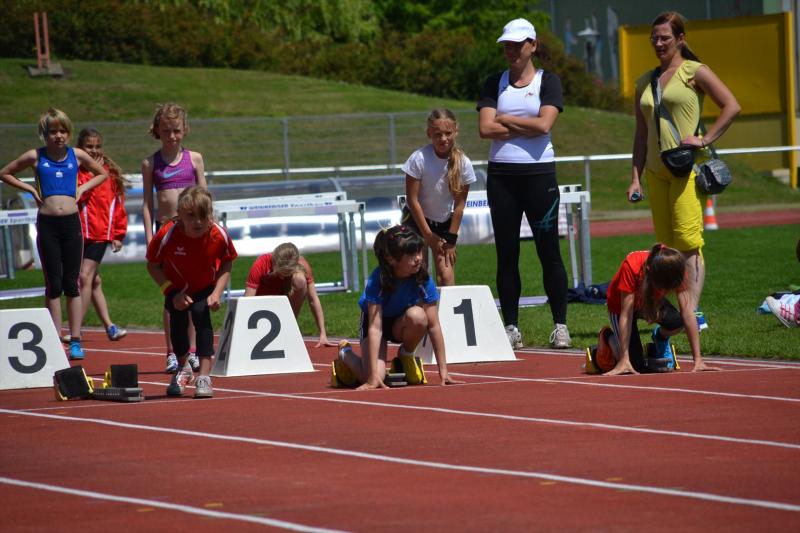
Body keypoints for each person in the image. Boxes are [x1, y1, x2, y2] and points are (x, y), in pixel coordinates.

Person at [627, 11, 740, 332]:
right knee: (667, 247)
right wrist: (635, 177)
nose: (658, 43)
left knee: (689, 243)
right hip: (655, 172)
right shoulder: (645, 81)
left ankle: (692, 313)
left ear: (680, 39)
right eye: (654, 38)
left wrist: (704, 138)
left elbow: (732, 106)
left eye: (665, 37)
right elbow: (640, 133)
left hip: (685, 170)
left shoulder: (694, 71)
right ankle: (677, 315)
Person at [477, 18, 571, 350]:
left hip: (539, 176)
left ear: (532, 45)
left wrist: (506, 119)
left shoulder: (549, 81)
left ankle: (560, 325)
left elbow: (545, 125)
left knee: (549, 252)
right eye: (507, 45)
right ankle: (511, 327)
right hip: (502, 177)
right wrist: (526, 124)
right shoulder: (494, 82)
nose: (511, 50)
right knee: (507, 253)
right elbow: (485, 129)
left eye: (517, 44)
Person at [0, 108, 107, 360]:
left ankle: (75, 339)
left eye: (62, 131)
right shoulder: (35, 156)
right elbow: (4, 172)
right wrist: (29, 189)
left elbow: (102, 174)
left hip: (71, 224)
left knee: (72, 283)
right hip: (48, 224)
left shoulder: (76, 155)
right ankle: (54, 339)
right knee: (54, 284)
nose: (58, 136)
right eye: (53, 131)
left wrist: (82, 189)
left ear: (68, 133)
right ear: (44, 134)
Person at [336, 225, 462, 390]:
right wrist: (372, 377)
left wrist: (443, 371)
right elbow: (375, 328)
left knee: (418, 316)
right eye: (411, 255)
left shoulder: (423, 279)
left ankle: (405, 355)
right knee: (374, 377)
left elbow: (434, 326)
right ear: (391, 259)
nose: (418, 258)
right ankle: (345, 353)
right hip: (375, 323)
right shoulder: (378, 280)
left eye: (419, 252)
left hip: (400, 323)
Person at [146, 186, 237, 398]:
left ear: (210, 216)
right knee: (177, 326)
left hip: (204, 285)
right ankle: (183, 368)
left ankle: (204, 376)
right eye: (191, 216)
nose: (197, 222)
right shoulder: (167, 234)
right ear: (180, 215)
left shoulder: (219, 235)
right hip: (176, 288)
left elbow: (227, 263)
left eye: (203, 216)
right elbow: (153, 265)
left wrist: (217, 293)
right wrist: (171, 292)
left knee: (200, 316)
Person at [141, 103, 208, 373]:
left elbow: (204, 198)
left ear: (185, 130)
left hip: (192, 232)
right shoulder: (150, 163)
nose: (172, 136)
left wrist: (208, 227)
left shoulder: (195, 159)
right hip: (166, 232)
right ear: (157, 130)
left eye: (176, 130)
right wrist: (150, 237)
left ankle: (191, 350)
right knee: (170, 294)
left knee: (193, 292)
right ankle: (171, 351)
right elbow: (147, 204)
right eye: (167, 130)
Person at [604, 244, 718, 375]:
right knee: (634, 365)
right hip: (620, 306)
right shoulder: (632, 265)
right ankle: (607, 339)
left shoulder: (676, 269)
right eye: (663, 287)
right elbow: (626, 315)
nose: (665, 291)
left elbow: (688, 312)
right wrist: (624, 358)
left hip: (650, 301)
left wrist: (698, 359)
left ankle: (660, 338)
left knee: (678, 323)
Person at [401, 108, 476, 286]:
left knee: (446, 275)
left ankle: (447, 305)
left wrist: (451, 239)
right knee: (418, 272)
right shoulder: (418, 158)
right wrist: (428, 236)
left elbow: (459, 206)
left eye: (448, 133)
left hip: (444, 223)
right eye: (437, 134)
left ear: (456, 131)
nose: (443, 139)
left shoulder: (463, 163)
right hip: (416, 220)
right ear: (429, 134)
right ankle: (418, 304)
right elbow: (412, 200)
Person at [75, 128, 128, 342]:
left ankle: (76, 329)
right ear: (80, 148)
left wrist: (118, 233)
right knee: (94, 281)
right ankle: (110, 326)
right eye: (89, 147)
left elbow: (118, 205)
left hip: (100, 234)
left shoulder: (109, 174)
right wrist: (87, 173)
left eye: (97, 146)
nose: (94, 150)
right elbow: (74, 196)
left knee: (84, 277)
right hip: (78, 233)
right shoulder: (75, 171)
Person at [244, 242, 336, 347]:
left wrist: (323, 333)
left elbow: (313, 299)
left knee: (300, 280)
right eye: (280, 271)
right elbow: (247, 300)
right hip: (262, 304)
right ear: (274, 261)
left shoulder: (302, 264)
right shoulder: (261, 263)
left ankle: (289, 325)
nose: (282, 277)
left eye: (287, 273)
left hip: (283, 298)